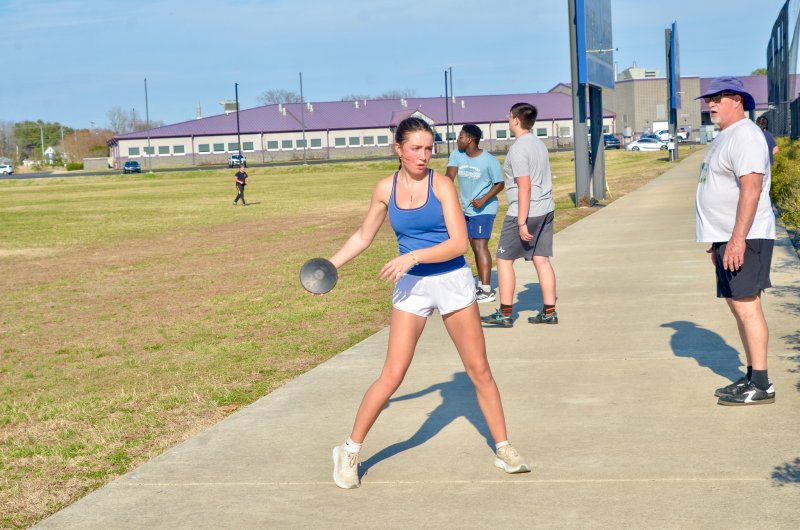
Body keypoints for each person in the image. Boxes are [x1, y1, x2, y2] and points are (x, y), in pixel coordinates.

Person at [327, 117, 530, 489]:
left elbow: (457, 243)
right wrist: (329, 266)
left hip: (451, 281)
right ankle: (349, 450)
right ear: (398, 149)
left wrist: (413, 257)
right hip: (412, 289)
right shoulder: (384, 189)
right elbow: (362, 235)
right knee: (392, 375)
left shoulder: (443, 186)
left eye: (429, 147)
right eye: (416, 148)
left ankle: (504, 447)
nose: (424, 155)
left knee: (479, 370)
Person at [695, 76, 776, 406]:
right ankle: (752, 376)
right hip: (727, 238)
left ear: (738, 100)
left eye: (718, 97)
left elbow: (752, 188)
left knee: (747, 308)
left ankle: (762, 384)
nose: (710, 103)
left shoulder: (745, 135)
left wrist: (737, 240)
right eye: (709, 99)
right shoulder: (726, 136)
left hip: (746, 236)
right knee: (738, 308)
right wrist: (717, 243)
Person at [481, 103, 558, 327]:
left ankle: (505, 313)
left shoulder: (518, 149)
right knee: (541, 259)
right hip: (546, 208)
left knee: (504, 260)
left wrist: (522, 221)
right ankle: (549, 311)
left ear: (515, 120)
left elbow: (524, 186)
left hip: (524, 211)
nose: (508, 119)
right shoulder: (539, 144)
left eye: (509, 116)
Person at [445, 124, 505, 303]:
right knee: (473, 246)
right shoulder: (457, 155)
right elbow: (449, 177)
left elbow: (499, 183)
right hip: (466, 209)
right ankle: (480, 284)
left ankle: (486, 290)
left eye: (461, 137)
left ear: (470, 139)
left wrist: (484, 199)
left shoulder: (489, 160)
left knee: (480, 246)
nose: (458, 140)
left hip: (484, 209)